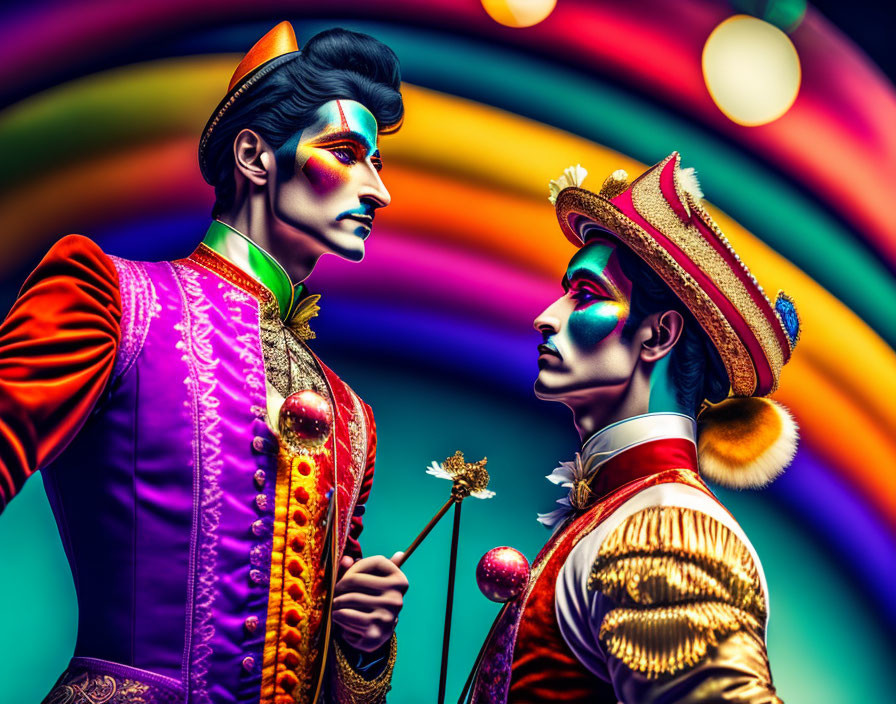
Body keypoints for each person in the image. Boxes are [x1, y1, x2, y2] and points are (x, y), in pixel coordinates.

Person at [0, 22, 408, 704]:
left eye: (378, 164)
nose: (377, 191)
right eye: (345, 153)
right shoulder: (115, 298)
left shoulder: (350, 415)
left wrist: (361, 645)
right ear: (254, 156)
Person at [469, 154, 799, 703]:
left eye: (587, 294)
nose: (546, 316)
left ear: (657, 336)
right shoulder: (618, 513)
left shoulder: (666, 532)